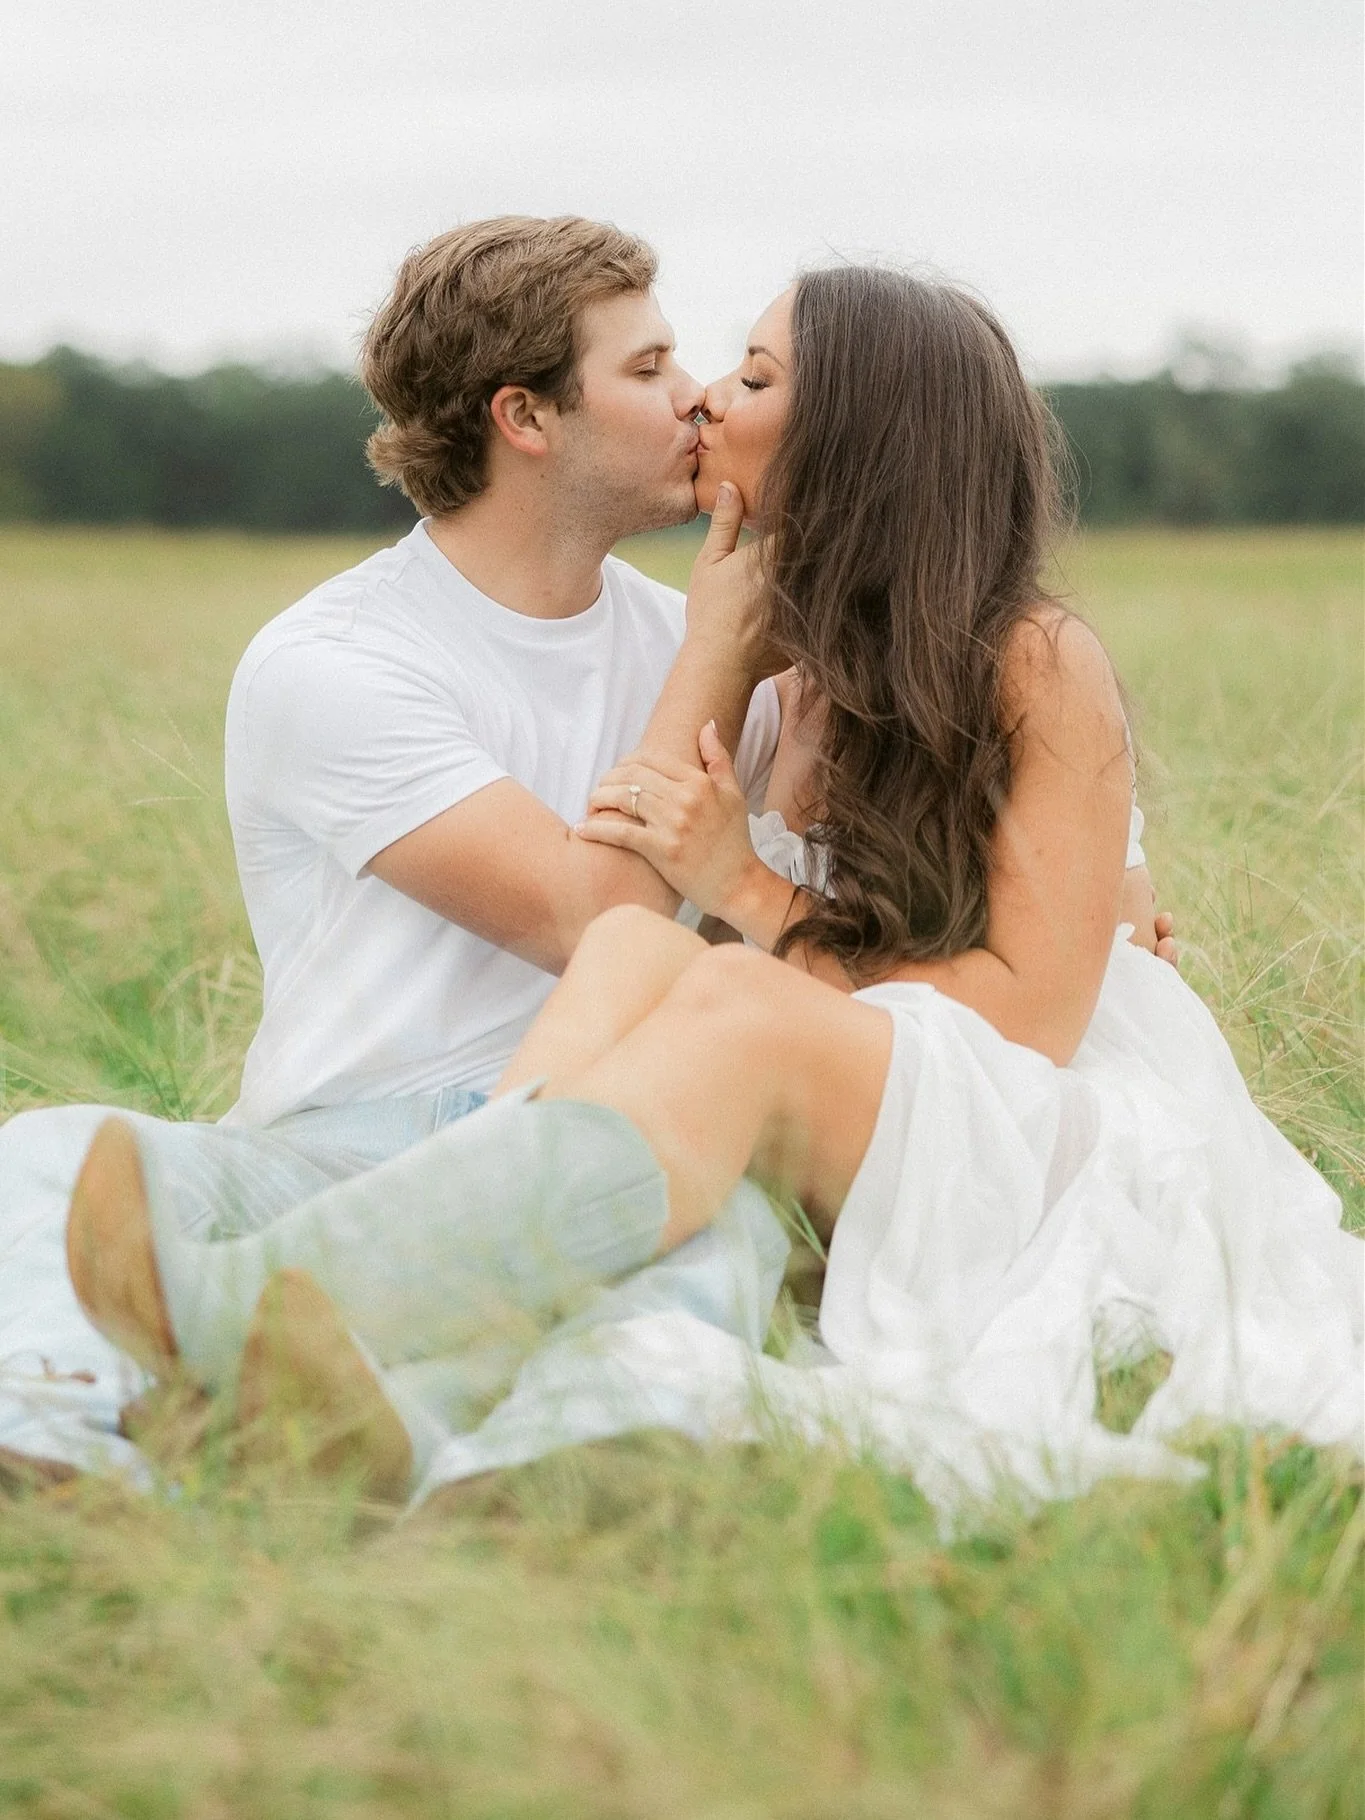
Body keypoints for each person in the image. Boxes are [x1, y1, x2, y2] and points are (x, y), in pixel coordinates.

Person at [65, 267, 1359, 1504]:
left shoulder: (1034, 658)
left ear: (857, 436)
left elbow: (1027, 1021)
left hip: (1020, 1117)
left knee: (731, 998)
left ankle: (260, 1299)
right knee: (632, 955)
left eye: (751, 375)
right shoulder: (784, 684)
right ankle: (389, 1390)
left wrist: (744, 884)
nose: (707, 400)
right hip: (866, 1099)